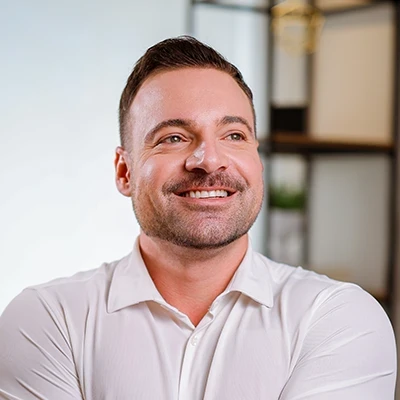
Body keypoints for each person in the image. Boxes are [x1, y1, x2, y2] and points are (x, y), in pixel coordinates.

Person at [0, 36, 396, 400]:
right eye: (173, 137)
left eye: (234, 135)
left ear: (258, 160)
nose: (209, 160)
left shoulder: (338, 318)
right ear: (125, 172)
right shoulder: (47, 319)